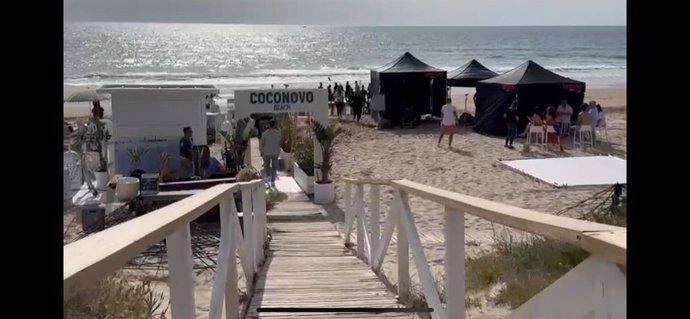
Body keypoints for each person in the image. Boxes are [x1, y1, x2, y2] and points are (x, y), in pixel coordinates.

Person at [260, 120, 281, 186]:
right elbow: (279, 142)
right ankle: (273, 181)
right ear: (274, 125)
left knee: (267, 166)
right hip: (275, 152)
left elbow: (262, 143)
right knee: (274, 167)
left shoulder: (265, 133)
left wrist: (262, 151)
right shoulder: (277, 133)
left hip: (267, 152)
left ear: (269, 125)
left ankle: (268, 178)